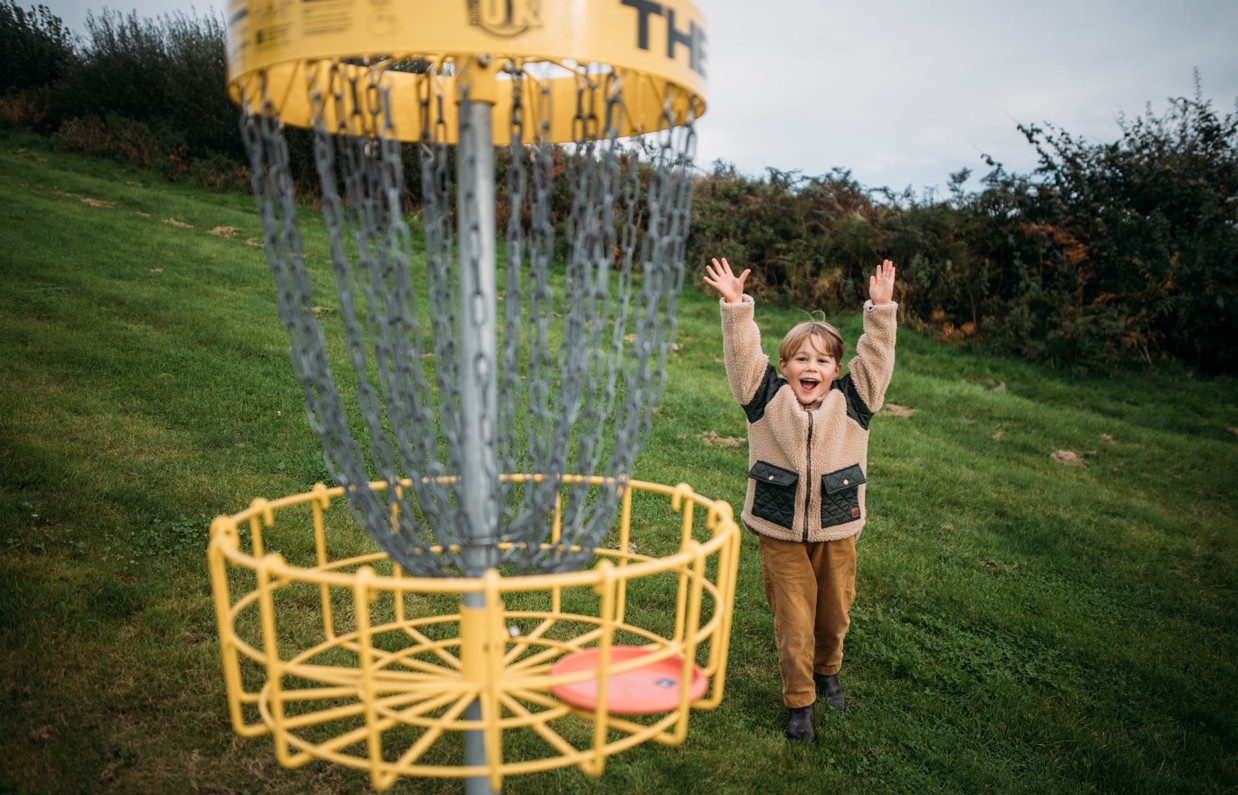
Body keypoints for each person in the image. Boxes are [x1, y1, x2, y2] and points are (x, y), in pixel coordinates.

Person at [703, 256, 898, 742]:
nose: (811, 367)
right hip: (780, 531)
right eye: (801, 359)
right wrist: (735, 306)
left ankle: (827, 670)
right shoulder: (763, 396)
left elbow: (876, 358)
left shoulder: (855, 401)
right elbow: (744, 355)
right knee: (794, 619)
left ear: (837, 369)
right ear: (784, 365)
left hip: (837, 527)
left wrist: (880, 311)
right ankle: (800, 704)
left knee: (833, 613)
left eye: (822, 360)